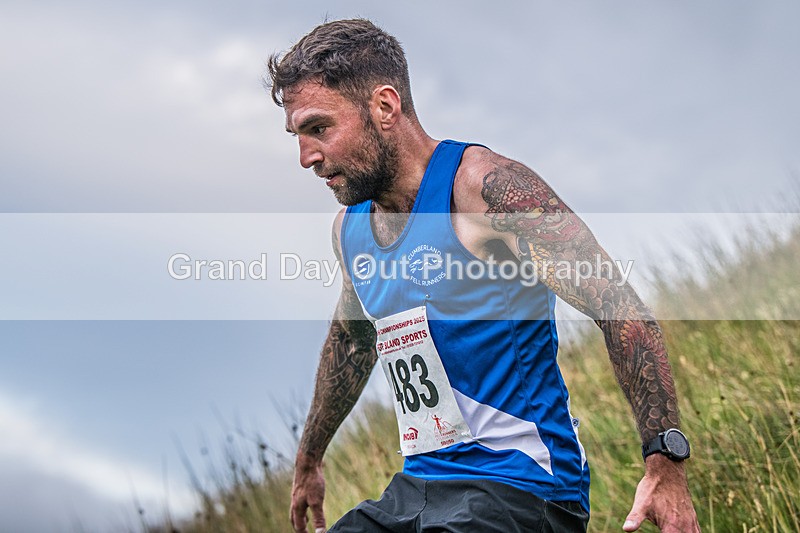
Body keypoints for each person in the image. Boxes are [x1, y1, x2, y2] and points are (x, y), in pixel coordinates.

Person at [267, 18, 700, 533]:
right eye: (298, 135)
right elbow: (352, 339)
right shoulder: (350, 231)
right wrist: (309, 460)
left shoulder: (483, 190)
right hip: (419, 491)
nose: (305, 157)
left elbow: (618, 306)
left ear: (384, 107)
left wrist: (664, 460)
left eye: (319, 128)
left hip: (522, 489)